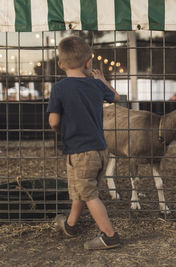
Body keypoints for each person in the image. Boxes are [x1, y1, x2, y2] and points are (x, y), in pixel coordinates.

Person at [47, 36, 121, 249]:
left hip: (79, 151)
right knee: (81, 187)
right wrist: (102, 79)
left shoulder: (60, 89)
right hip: (100, 149)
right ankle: (70, 225)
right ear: (89, 62)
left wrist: (62, 128)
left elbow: (53, 122)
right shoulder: (95, 85)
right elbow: (116, 97)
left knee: (88, 194)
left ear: (60, 64)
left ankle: (110, 235)